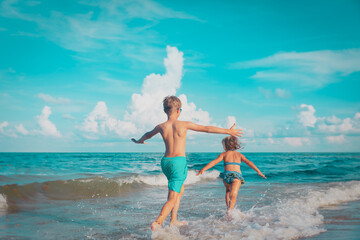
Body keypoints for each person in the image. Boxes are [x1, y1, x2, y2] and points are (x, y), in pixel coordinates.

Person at [131, 96, 242, 230]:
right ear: (178, 110)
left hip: (166, 162)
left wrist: (139, 141)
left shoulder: (160, 126)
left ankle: (174, 220)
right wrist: (228, 131)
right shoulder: (183, 124)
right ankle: (158, 222)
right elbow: (206, 129)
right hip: (178, 162)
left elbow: (147, 134)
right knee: (172, 197)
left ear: (165, 111)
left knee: (178, 190)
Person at [196, 136, 266, 217]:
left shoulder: (224, 154)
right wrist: (258, 171)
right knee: (234, 194)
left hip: (226, 176)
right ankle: (230, 210)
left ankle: (228, 209)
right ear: (236, 144)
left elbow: (214, 162)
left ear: (225, 145)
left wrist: (203, 169)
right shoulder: (239, 155)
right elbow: (249, 162)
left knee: (228, 191)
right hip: (236, 176)